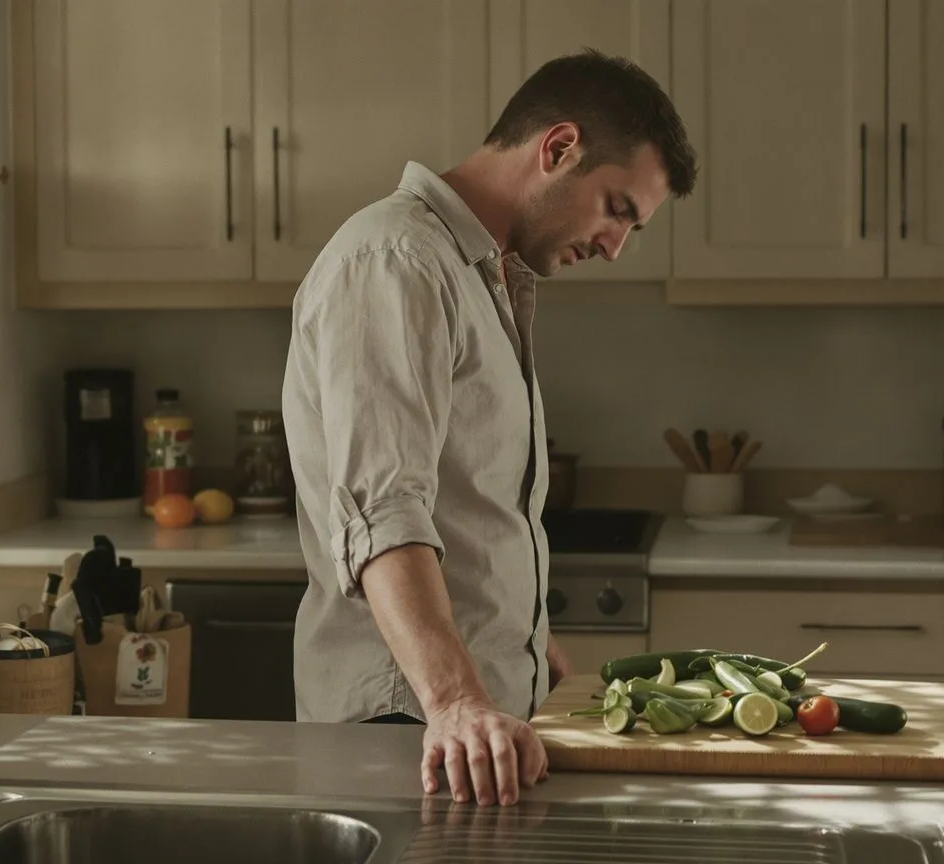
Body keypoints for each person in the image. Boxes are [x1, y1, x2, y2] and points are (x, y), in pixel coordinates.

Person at [281, 49, 697, 808]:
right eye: (618, 209)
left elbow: (467, 505)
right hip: (407, 728)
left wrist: (525, 647)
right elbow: (385, 513)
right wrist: (456, 698)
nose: (615, 246)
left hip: (464, 731)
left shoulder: (484, 276)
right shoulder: (397, 260)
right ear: (558, 148)